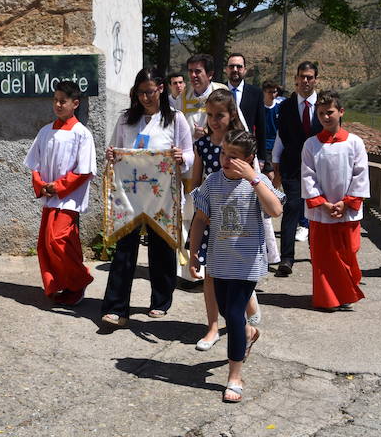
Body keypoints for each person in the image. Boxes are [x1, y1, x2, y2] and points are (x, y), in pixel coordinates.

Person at [189, 130, 284, 403]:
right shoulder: (212, 183)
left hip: (248, 263)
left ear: (249, 159)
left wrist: (254, 178)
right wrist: (194, 252)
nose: (226, 161)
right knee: (230, 312)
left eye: (234, 157)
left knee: (232, 314)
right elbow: (199, 220)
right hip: (219, 261)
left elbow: (276, 210)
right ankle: (249, 333)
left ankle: (235, 377)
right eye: (223, 154)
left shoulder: (258, 182)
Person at [101, 68, 194, 327]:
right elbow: (115, 149)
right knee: (124, 249)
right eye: (140, 93)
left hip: (162, 194)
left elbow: (190, 155)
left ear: (161, 89)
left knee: (161, 246)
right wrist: (112, 156)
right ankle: (116, 307)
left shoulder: (175, 120)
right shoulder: (125, 120)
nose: (145, 98)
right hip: (130, 193)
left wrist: (180, 158)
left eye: (150, 92)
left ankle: (161, 300)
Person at [189, 89, 260, 351]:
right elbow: (195, 181)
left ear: (231, 116)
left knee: (236, 275)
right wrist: (201, 203)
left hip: (237, 221)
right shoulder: (203, 145)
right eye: (209, 115)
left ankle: (244, 321)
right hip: (210, 218)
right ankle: (212, 327)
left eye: (220, 115)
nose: (214, 120)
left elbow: (255, 180)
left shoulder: (241, 145)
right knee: (210, 274)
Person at [24, 81, 97, 306]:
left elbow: (84, 170)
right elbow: (34, 165)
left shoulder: (82, 134)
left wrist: (59, 186)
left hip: (68, 198)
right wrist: (41, 184)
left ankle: (78, 280)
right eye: (55, 100)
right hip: (49, 197)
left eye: (62, 101)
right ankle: (60, 284)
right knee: (46, 243)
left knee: (60, 240)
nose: (57, 104)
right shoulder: (45, 131)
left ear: (75, 104)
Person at [300, 91, 370, 310]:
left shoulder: (355, 143)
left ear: (341, 112)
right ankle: (327, 299)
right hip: (322, 212)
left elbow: (360, 174)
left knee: (348, 254)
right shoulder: (311, 145)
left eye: (329, 112)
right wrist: (323, 203)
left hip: (347, 211)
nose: (325, 117)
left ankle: (346, 294)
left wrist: (346, 202)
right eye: (320, 113)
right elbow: (307, 176)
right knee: (323, 258)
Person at [272, 61, 322, 277]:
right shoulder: (285, 107)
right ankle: (286, 258)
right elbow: (280, 138)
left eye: (309, 77)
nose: (305, 81)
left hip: (320, 169)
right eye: (302, 76)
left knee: (316, 211)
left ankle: (318, 254)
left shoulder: (324, 106)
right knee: (292, 209)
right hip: (292, 167)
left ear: (315, 80)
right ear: (296, 79)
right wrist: (274, 165)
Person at [225, 54, 269, 172]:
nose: (235, 70)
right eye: (231, 66)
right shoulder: (219, 90)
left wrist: (262, 158)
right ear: (226, 69)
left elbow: (261, 127)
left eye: (239, 67)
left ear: (245, 69)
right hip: (223, 150)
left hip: (247, 151)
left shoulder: (256, 93)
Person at [181, 53, 227, 142]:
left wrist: (208, 132)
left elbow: (234, 123)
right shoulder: (183, 96)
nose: (193, 75)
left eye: (197, 71)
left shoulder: (221, 92)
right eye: (190, 71)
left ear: (210, 74)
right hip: (191, 150)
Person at [262, 79, 285, 174]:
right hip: (264, 145)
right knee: (270, 174)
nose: (272, 95)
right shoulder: (259, 107)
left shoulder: (280, 107)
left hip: (277, 145)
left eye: (274, 92)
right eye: (269, 92)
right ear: (264, 92)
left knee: (276, 174)